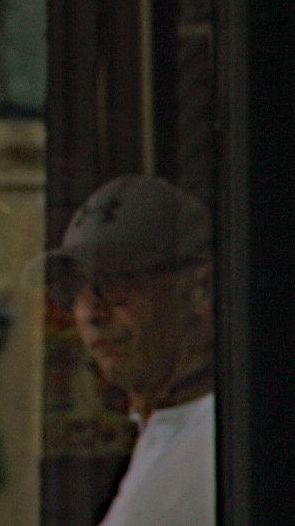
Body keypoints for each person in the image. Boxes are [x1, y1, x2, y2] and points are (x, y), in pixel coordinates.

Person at [45, 175, 215, 526]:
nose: (89, 312)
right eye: (74, 288)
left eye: (116, 281)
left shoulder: (218, 441)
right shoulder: (168, 425)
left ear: (200, 289)